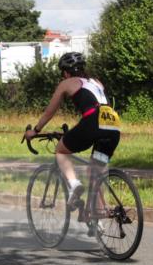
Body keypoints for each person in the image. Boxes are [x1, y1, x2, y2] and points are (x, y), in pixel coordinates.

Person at [23, 52, 120, 208]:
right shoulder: (97, 82)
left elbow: (50, 111)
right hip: (113, 125)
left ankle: (74, 184)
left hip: (93, 123)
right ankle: (99, 217)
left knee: (61, 150)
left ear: (66, 72)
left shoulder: (67, 83)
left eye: (63, 73)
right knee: (95, 172)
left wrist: (35, 130)